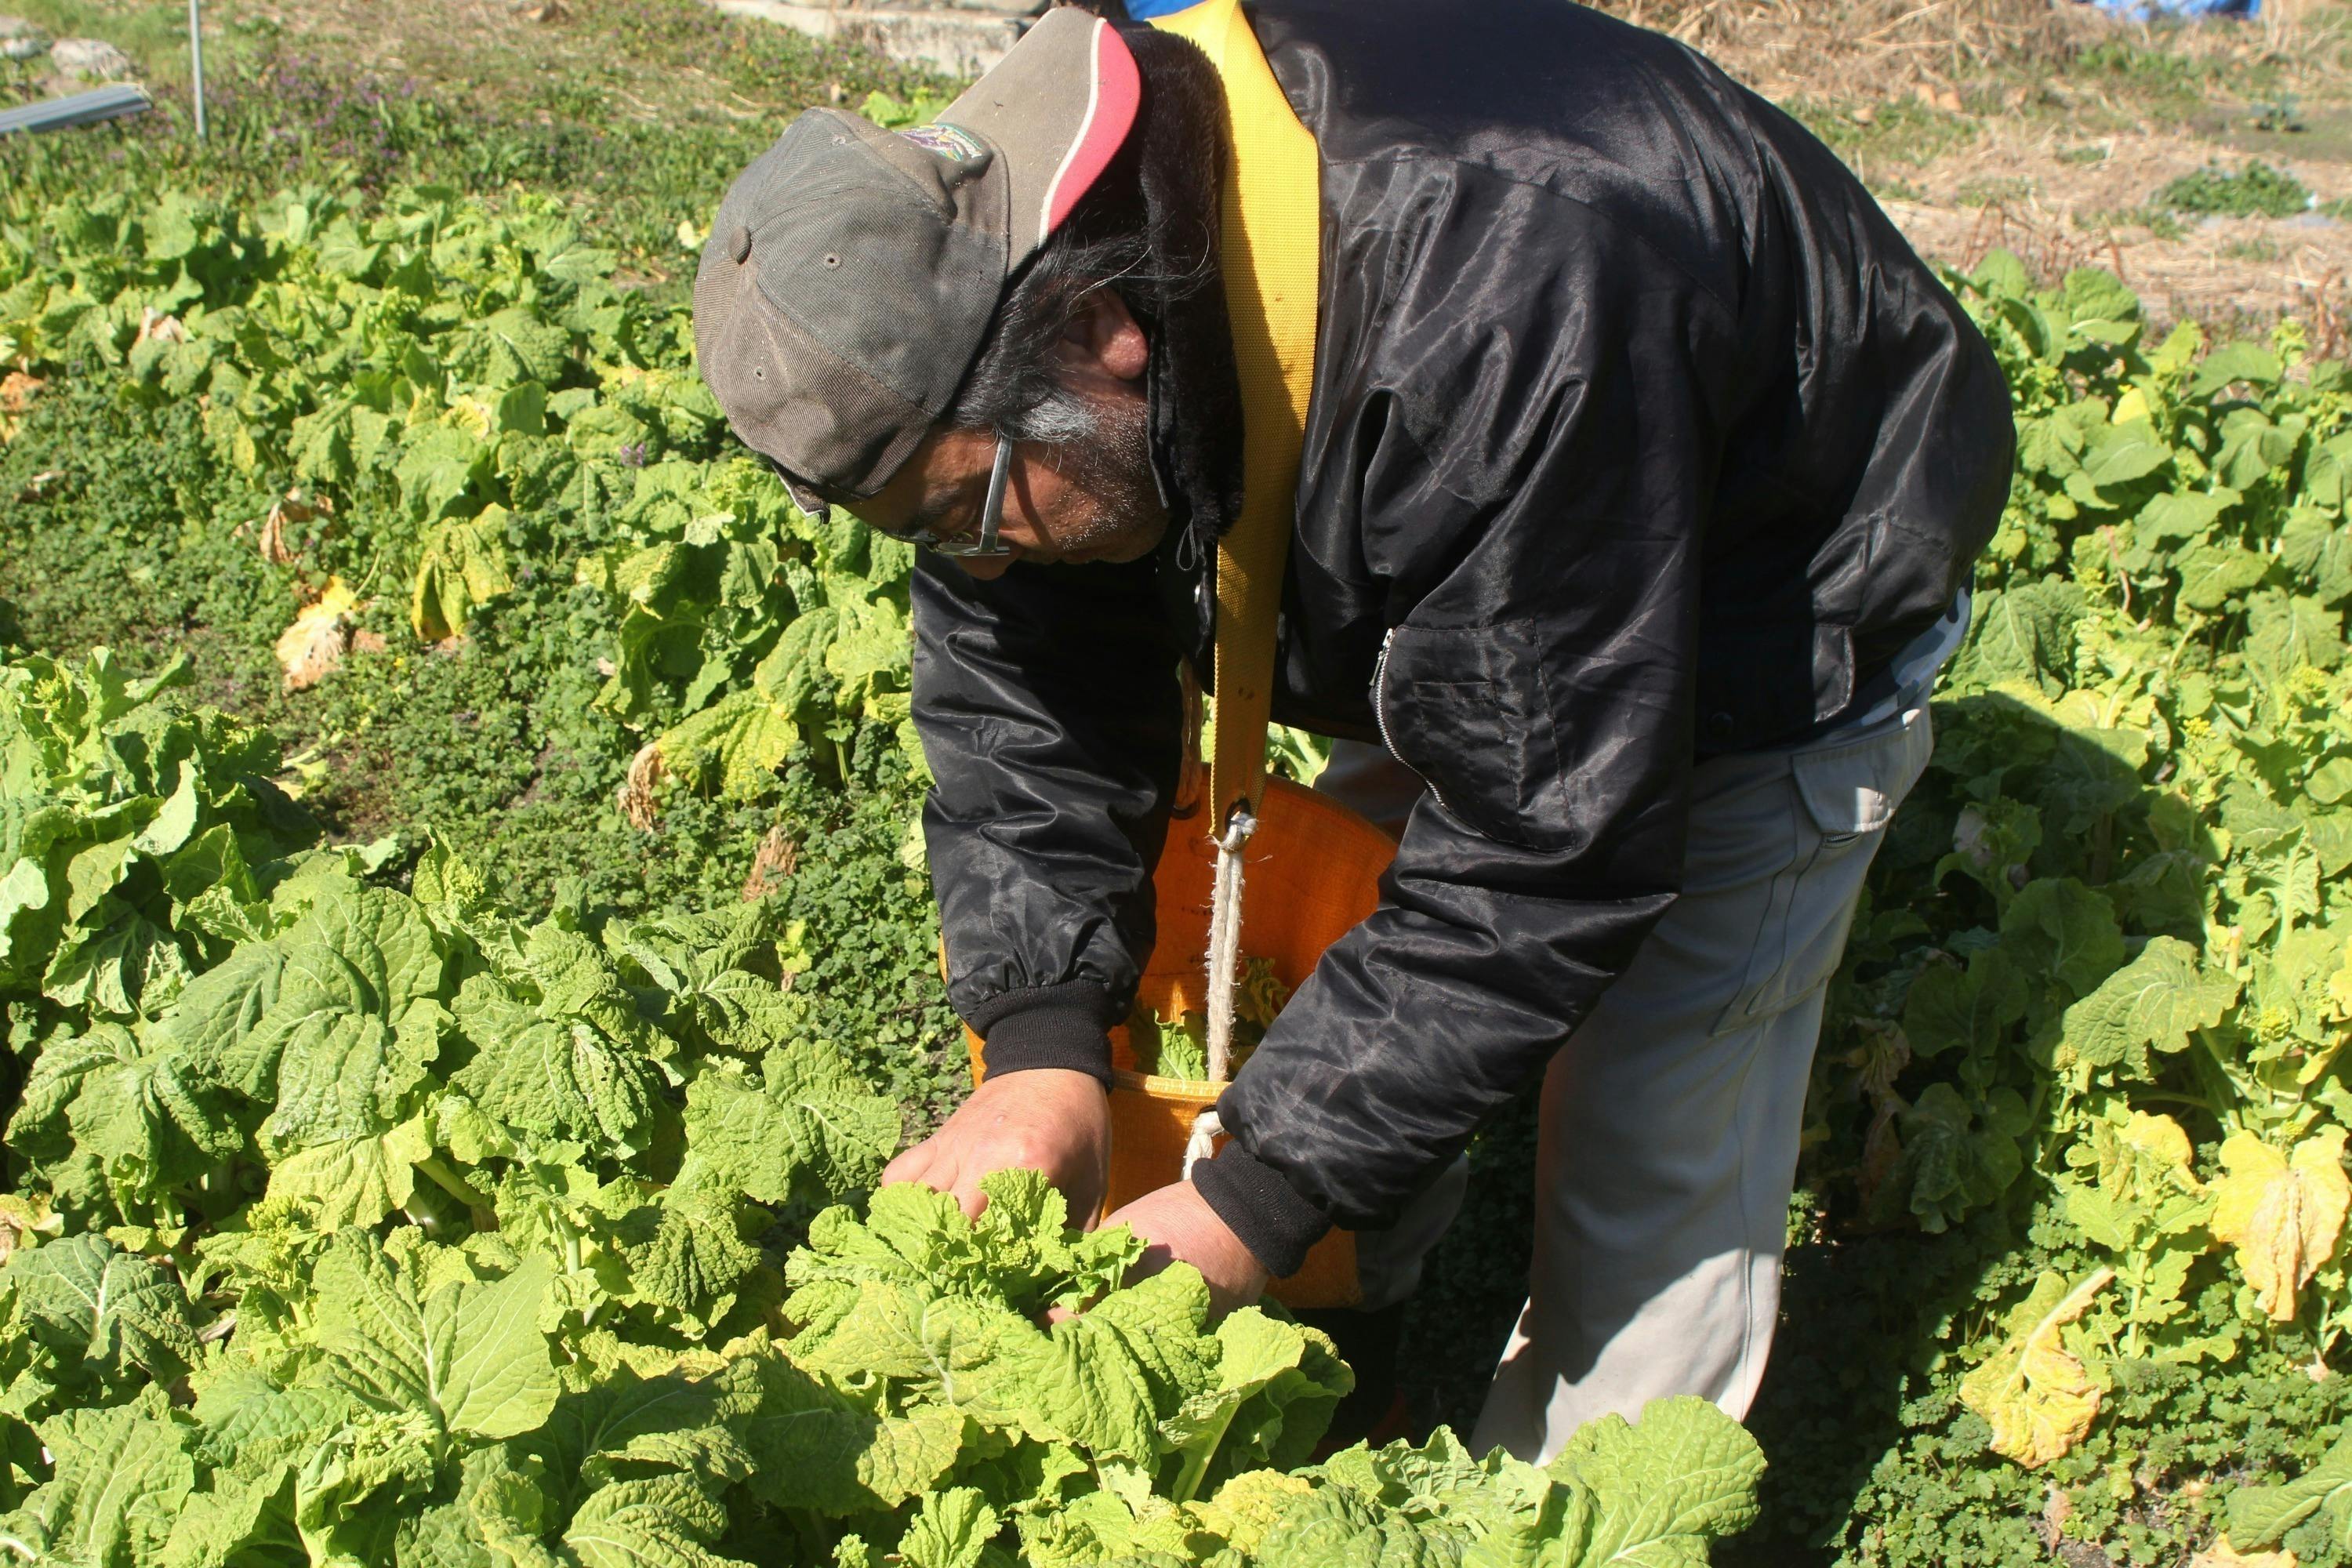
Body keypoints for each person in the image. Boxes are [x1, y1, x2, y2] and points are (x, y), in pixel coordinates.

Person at [690, 0, 2014, 1461]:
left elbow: (1544, 842)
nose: (980, 559)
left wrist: (1248, 1200)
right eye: (935, 533)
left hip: (1770, 588)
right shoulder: (1024, 279)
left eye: (976, 509)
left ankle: (1586, 1513)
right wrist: (1045, 1047)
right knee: (1370, 966)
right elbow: (1031, 687)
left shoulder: (1508, 304)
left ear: (1102, 333)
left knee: (1650, 1137)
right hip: (1475, 536)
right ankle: (1354, 1342)